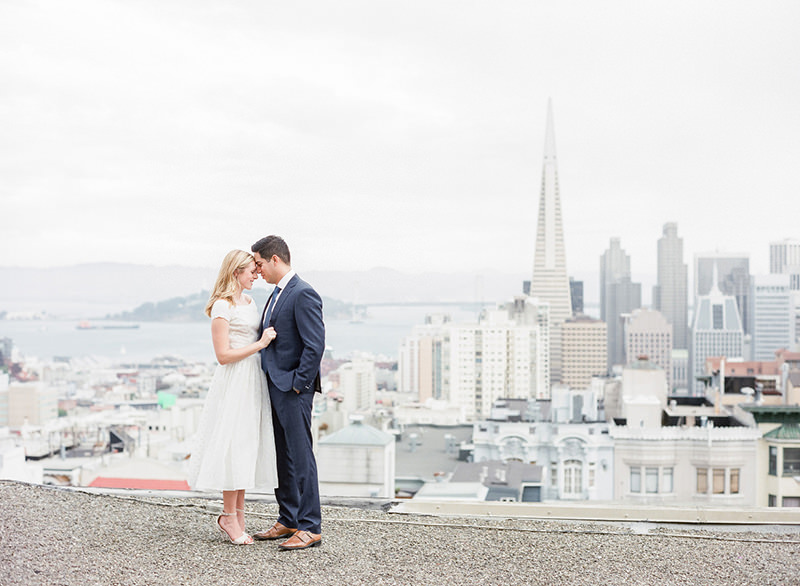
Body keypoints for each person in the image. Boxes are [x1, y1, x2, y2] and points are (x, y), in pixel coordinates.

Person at [187, 249, 278, 545]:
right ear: (235, 272)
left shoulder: (250, 302)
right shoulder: (221, 307)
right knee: (232, 444)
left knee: (246, 444)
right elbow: (223, 355)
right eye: (251, 271)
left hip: (252, 379)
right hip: (234, 380)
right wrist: (261, 344)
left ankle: (238, 515)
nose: (256, 275)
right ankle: (229, 515)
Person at [251, 235, 325, 550]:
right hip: (276, 385)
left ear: (275, 259)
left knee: (301, 455)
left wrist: (298, 384)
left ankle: (310, 526)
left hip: (293, 389)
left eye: (259, 263)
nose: (257, 271)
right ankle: (289, 518)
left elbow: (315, 345)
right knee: (283, 455)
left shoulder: (303, 293)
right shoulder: (276, 295)